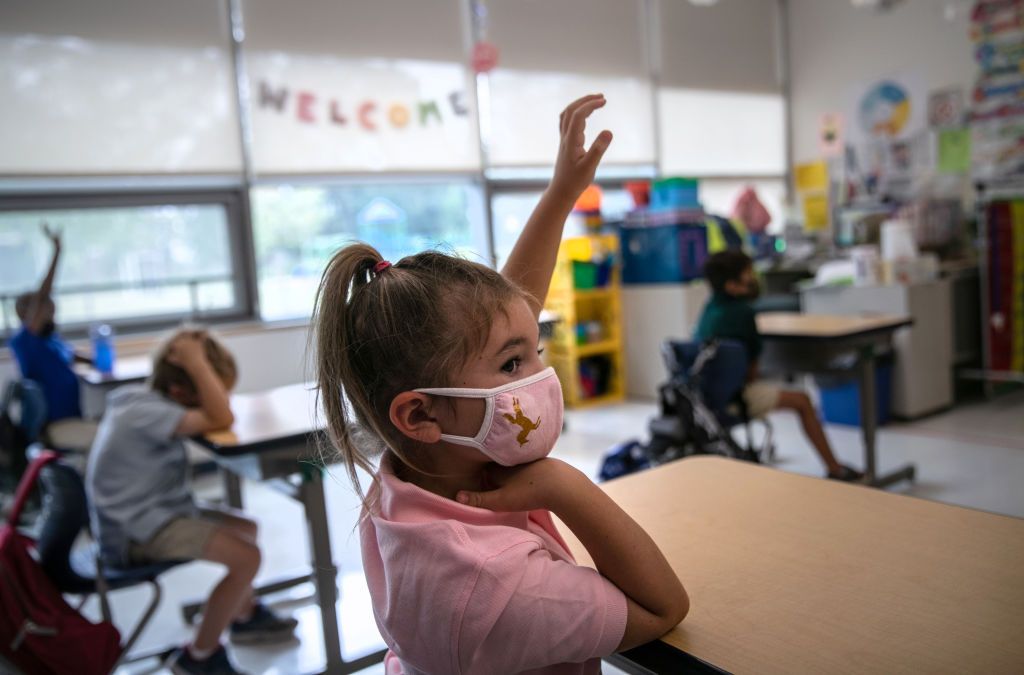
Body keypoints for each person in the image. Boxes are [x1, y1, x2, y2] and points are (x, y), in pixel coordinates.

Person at [312, 95, 689, 674]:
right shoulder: (498, 587)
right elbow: (663, 608)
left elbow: (506, 315)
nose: (540, 375)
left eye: (534, 352)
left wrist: (561, 195)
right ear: (418, 416)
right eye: (514, 365)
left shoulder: (411, 476)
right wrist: (564, 487)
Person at [86, 329, 297, 675]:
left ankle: (242, 616)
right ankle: (198, 657)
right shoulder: (145, 412)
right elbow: (221, 418)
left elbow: (216, 414)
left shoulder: (142, 401)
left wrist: (196, 359)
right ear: (181, 391)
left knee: (247, 527)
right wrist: (198, 362)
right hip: (135, 531)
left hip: (153, 511)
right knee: (248, 559)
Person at [694, 250, 864, 482]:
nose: (753, 279)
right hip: (732, 401)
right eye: (747, 275)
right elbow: (751, 371)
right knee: (803, 401)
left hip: (703, 399)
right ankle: (835, 469)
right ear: (732, 285)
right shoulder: (743, 313)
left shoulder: (709, 309)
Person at [8, 223, 98, 452]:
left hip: (73, 416)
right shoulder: (25, 341)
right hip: (54, 425)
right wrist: (57, 251)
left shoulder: (51, 339)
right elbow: (43, 295)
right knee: (114, 435)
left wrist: (96, 360)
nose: (51, 308)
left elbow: (72, 356)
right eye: (44, 306)